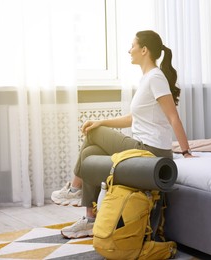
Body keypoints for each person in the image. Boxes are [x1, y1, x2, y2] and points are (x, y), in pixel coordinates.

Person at [51, 30, 193, 239]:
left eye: (132, 46)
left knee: (94, 134)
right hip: (142, 147)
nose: (129, 50)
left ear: (144, 50)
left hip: (151, 152)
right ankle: (90, 220)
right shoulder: (148, 78)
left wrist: (186, 151)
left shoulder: (155, 78)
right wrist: (101, 121)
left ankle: (74, 188)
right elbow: (132, 118)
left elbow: (173, 117)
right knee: (91, 150)